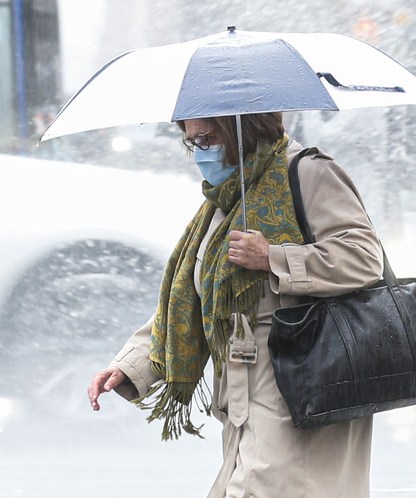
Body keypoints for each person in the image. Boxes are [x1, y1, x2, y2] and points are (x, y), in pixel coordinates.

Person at [87, 112, 383, 497]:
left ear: (242, 130)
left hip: (306, 387)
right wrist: (131, 365)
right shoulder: (225, 198)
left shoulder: (310, 173)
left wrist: (272, 257)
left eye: (208, 139)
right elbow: (196, 299)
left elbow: (363, 258)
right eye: (192, 141)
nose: (200, 152)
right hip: (246, 401)